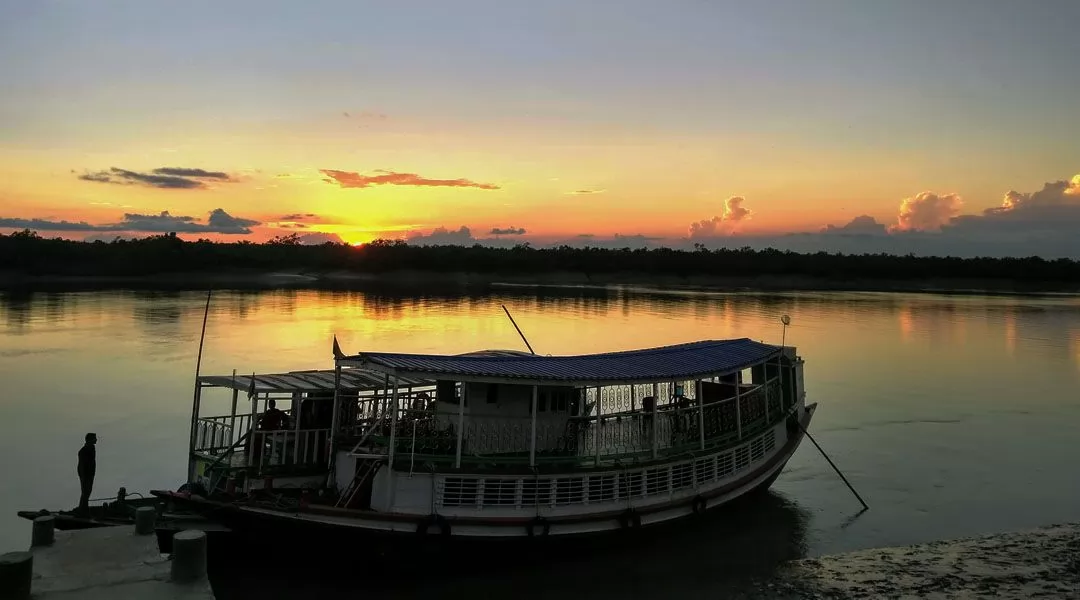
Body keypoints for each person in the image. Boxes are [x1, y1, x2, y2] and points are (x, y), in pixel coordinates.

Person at [77, 433, 97, 515]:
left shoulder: (92, 448)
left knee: (88, 492)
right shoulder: (83, 451)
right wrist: (84, 477)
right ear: (89, 440)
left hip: (90, 474)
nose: (96, 440)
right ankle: (82, 511)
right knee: (85, 492)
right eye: (94, 438)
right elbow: (82, 466)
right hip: (85, 475)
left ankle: (84, 509)